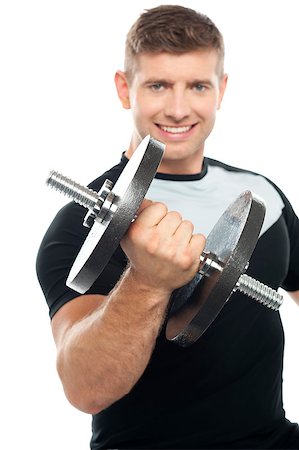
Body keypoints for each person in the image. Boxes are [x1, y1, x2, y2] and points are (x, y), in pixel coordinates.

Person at [36, 5, 299, 449]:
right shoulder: (77, 225)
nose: (178, 109)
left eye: (197, 86)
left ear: (221, 91)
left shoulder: (262, 195)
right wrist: (149, 281)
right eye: (158, 85)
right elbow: (85, 388)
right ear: (125, 89)